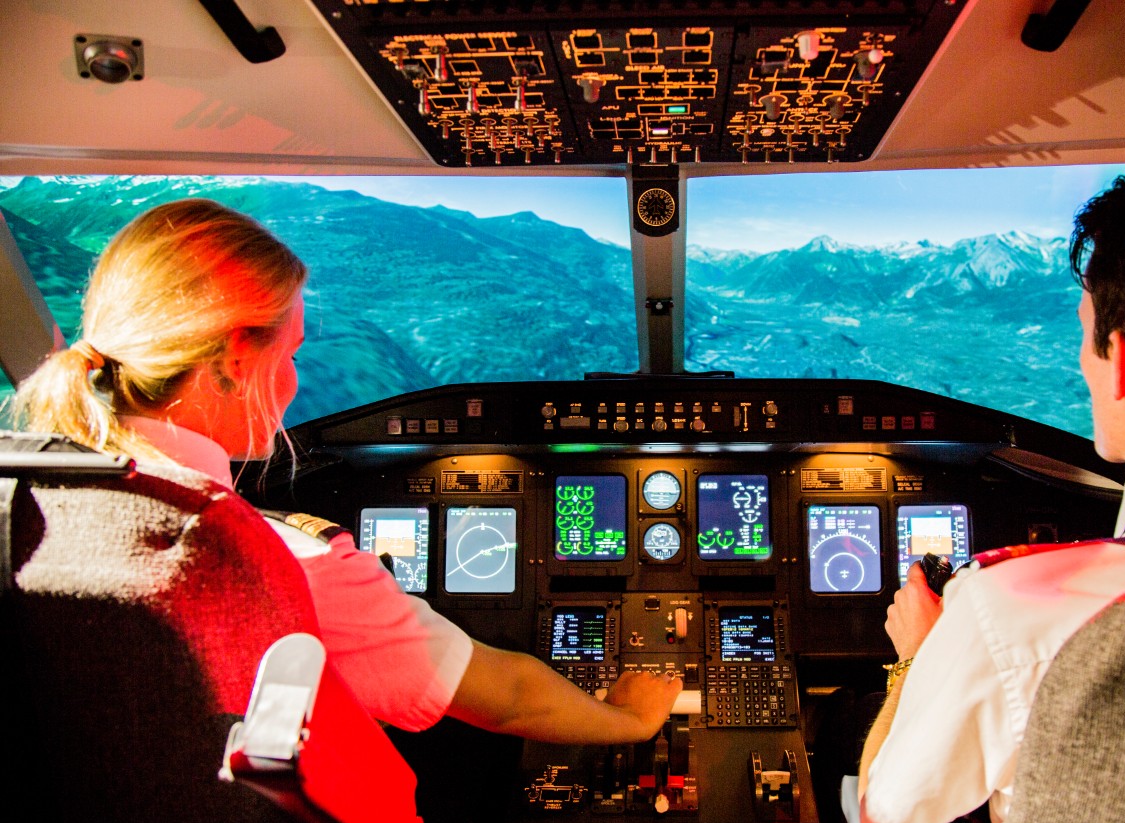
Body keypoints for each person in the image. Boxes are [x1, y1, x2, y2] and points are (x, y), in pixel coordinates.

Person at [11, 197, 683, 744]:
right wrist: (631, 718)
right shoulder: (284, 564)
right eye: (292, 351)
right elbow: (509, 699)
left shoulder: (20, 508)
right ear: (238, 358)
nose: (296, 381)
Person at [855, 160, 1125, 823]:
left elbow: (885, 816)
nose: (1083, 361)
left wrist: (917, 659)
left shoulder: (1009, 605)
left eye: (1087, 334)